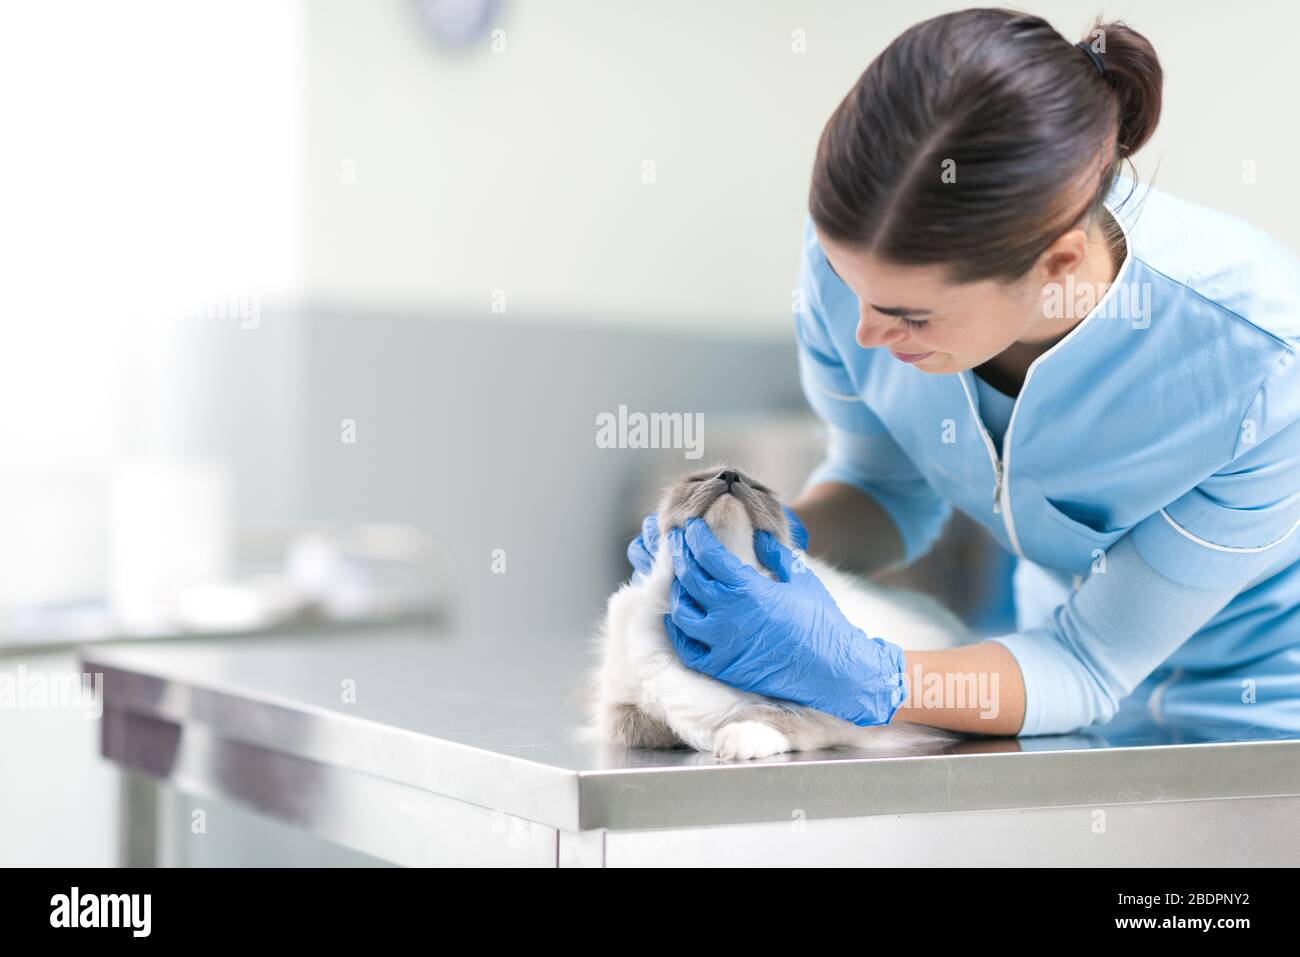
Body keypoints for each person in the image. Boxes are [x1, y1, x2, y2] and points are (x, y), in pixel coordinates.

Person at [629, 9, 1300, 737]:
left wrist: (867, 673)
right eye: (851, 286)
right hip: (1047, 695)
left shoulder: (1260, 365)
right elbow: (884, 490)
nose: (863, 332)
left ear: (1059, 266)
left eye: (910, 315)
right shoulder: (864, 252)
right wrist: (754, 548)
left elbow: (1087, 662)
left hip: (1262, 720)